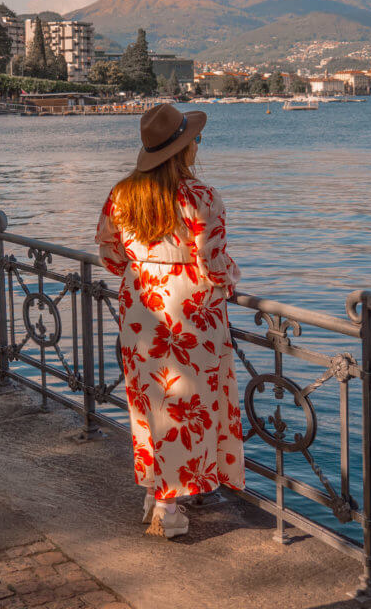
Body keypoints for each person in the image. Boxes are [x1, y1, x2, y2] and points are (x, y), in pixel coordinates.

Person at [95, 102, 245, 539]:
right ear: (184, 149)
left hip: (140, 307)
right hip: (189, 312)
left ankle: (154, 494)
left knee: (150, 404)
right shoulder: (202, 197)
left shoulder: (122, 194)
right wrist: (231, 277)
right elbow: (214, 265)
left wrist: (145, 265)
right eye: (195, 140)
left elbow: (109, 254)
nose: (198, 145)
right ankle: (168, 508)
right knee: (187, 407)